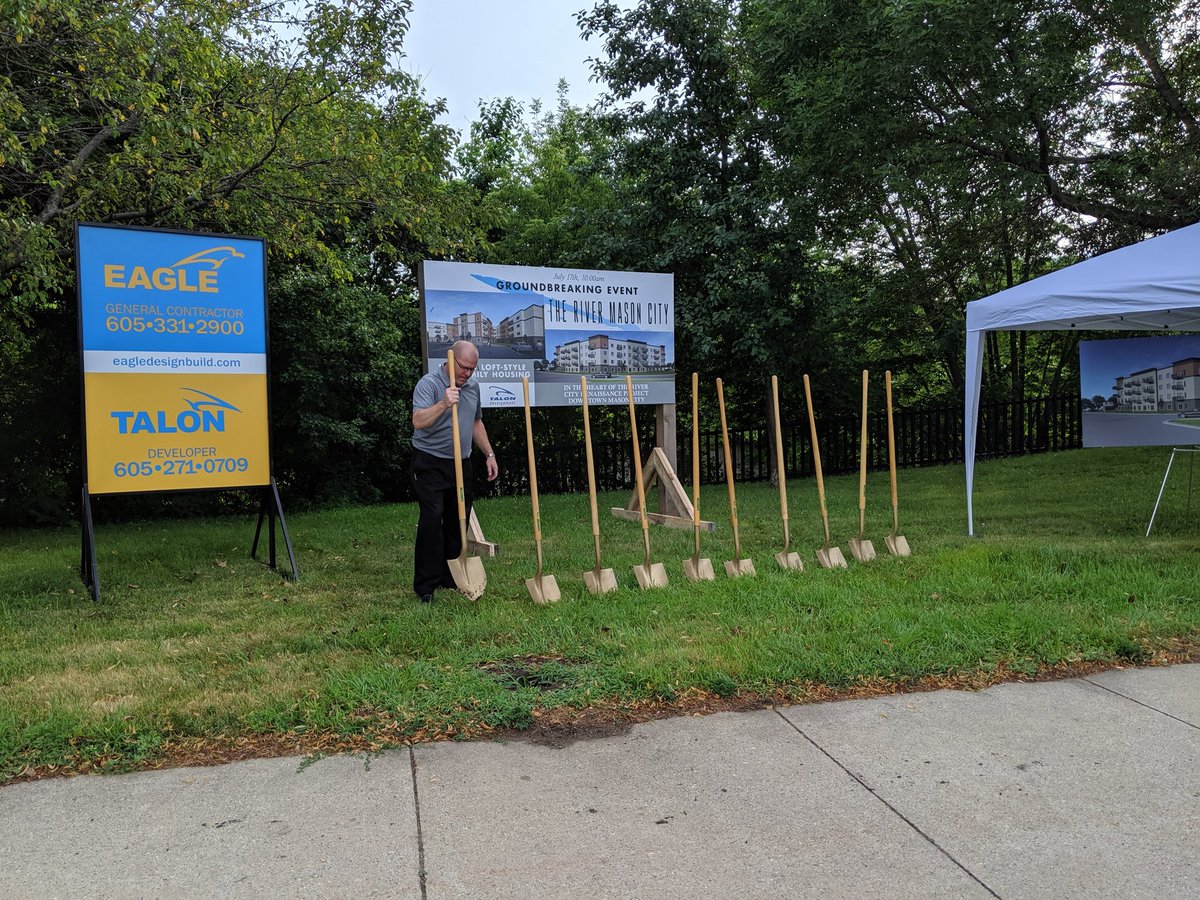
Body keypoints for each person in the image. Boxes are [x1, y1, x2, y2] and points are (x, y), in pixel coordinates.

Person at [410, 340, 499, 602]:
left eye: (473, 369)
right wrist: (444, 404)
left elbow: (475, 421)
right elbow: (418, 422)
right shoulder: (428, 384)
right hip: (429, 461)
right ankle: (425, 586)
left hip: (461, 462)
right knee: (432, 517)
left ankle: (449, 576)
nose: (468, 374)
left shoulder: (472, 387)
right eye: (464, 368)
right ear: (451, 361)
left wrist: (489, 454)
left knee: (457, 518)